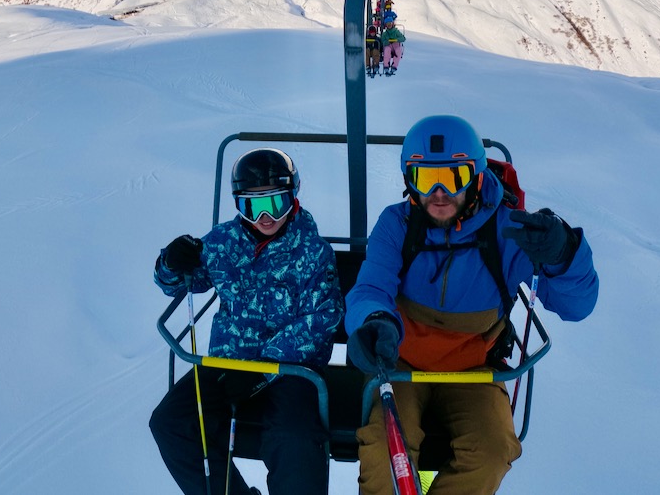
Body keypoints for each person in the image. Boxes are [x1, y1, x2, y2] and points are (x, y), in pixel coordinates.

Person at [345, 115, 599, 495]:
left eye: (454, 177)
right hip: (400, 365)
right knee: (386, 453)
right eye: (426, 179)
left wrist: (564, 255)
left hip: (473, 370)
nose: (440, 193)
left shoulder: (508, 231)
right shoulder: (398, 224)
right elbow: (370, 286)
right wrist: (375, 320)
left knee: (493, 451)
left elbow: (576, 305)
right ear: (408, 182)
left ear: (477, 177)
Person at [150, 148, 344, 495]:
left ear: (293, 198)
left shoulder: (313, 252)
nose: (266, 217)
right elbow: (179, 284)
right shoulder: (224, 243)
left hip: (291, 372)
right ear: (239, 206)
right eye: (253, 206)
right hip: (226, 364)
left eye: (277, 203)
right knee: (171, 423)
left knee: (294, 440)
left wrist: (261, 369)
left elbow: (322, 319)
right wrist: (171, 262)